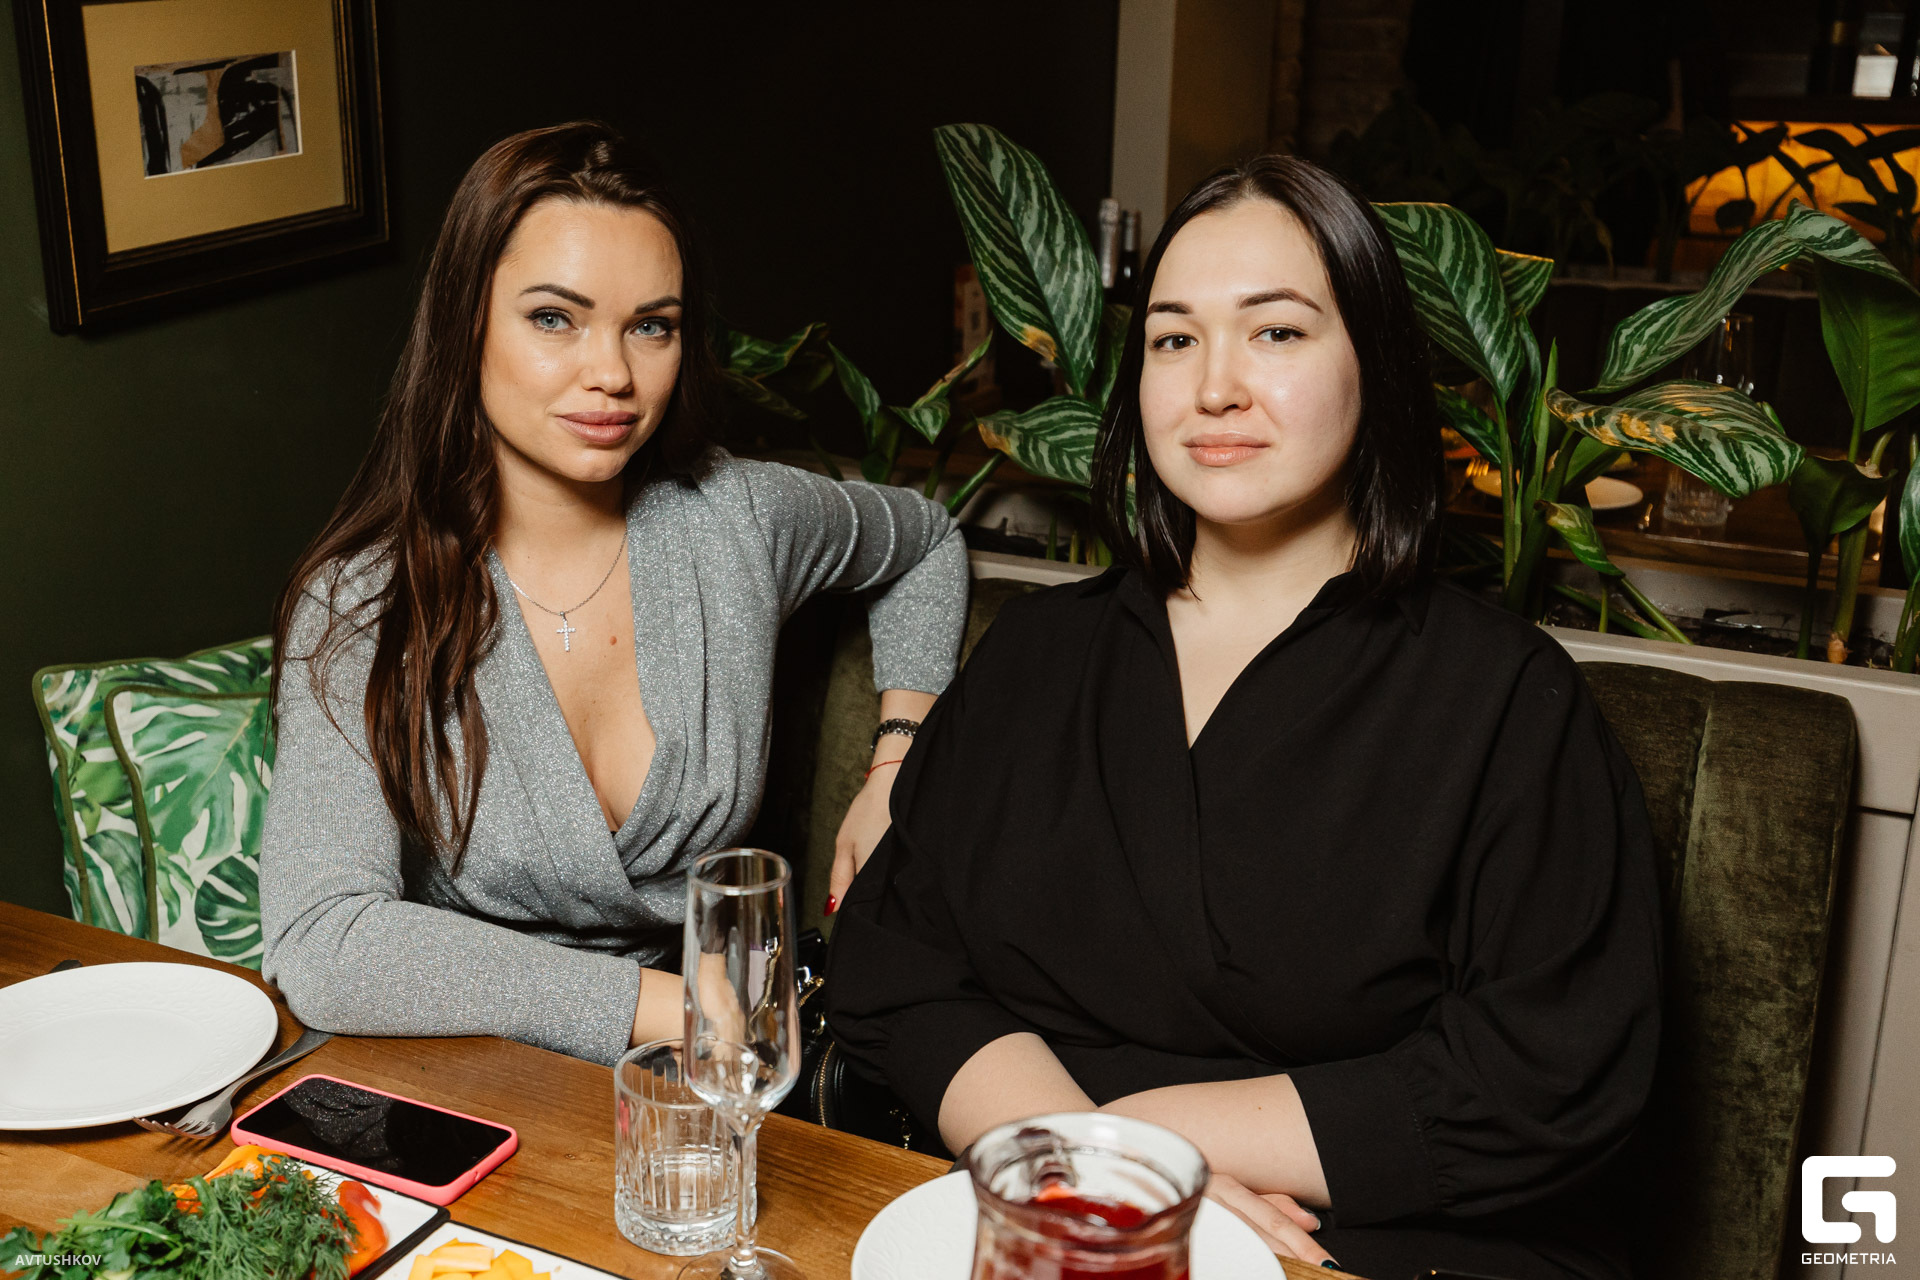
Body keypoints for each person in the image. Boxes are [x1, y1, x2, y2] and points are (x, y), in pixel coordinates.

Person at [825, 155, 1662, 1280]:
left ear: (1376, 364)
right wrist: (1084, 1164)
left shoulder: (1509, 697)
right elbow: (893, 961)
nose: (1214, 387)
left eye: (1275, 332)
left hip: (1360, 1236)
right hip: (1028, 1202)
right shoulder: (1036, 653)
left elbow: (1545, 1072)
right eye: (1174, 339)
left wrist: (1154, 1148)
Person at [260, 122, 967, 1066]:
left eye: (651, 326)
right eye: (555, 318)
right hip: (470, 1071)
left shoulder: (738, 521)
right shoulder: (366, 602)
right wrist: (664, 1003)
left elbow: (929, 543)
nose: (613, 375)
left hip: (704, 1077)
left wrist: (896, 762)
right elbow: (322, 939)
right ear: (467, 324)